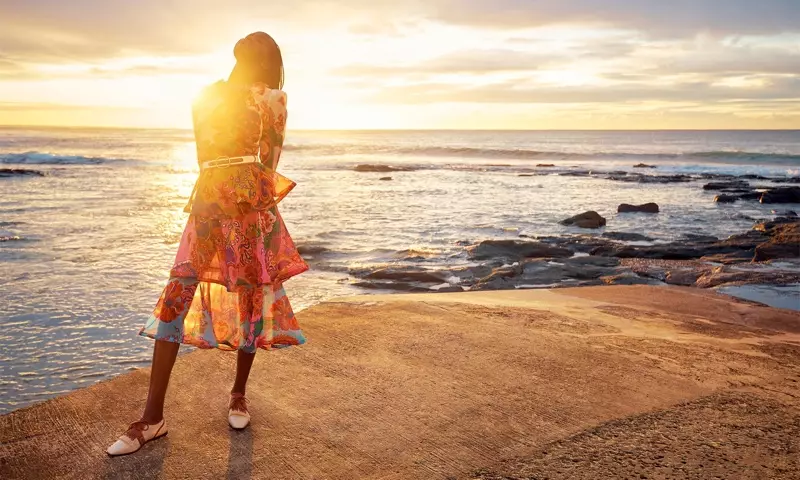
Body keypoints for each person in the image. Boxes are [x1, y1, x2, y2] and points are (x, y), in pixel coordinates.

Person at [107, 32, 308, 456]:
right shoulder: (263, 98)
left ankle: (230, 397)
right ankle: (157, 418)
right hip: (229, 202)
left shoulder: (230, 96)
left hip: (221, 198)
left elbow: (210, 157)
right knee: (182, 293)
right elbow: (269, 161)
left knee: (215, 296)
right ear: (271, 61)